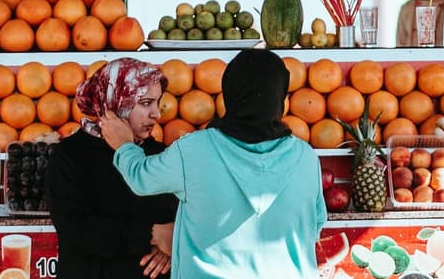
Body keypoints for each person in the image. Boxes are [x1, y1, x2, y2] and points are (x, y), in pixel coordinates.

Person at [100, 49, 324, 279]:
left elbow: (141, 179)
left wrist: (125, 145)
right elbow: (314, 225)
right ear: (280, 98)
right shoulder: (305, 157)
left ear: (229, 94)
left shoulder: (194, 150)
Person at [49, 59, 179, 279]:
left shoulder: (161, 154)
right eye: (146, 103)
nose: (157, 114)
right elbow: (77, 229)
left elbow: (177, 216)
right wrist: (151, 235)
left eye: (158, 102)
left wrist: (171, 245)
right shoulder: (69, 156)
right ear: (116, 101)